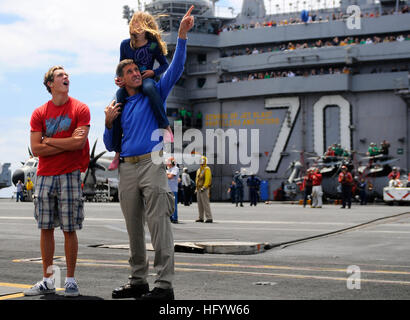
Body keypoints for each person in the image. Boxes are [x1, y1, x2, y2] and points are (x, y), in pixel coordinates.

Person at [104, 6, 194, 301]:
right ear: (121, 79)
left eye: (136, 70)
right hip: (126, 168)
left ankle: (164, 286)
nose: (136, 73)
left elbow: (176, 68)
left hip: (151, 163)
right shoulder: (119, 105)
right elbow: (108, 142)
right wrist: (107, 122)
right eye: (129, 71)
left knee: (158, 226)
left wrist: (181, 37)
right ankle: (138, 280)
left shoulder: (153, 91)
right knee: (132, 229)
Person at [24, 65, 90, 297]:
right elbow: (35, 148)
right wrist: (64, 142)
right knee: (45, 227)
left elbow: (78, 144)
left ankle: (70, 280)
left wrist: (50, 141)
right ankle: (48, 279)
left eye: (67, 75)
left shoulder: (80, 108)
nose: (66, 77)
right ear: (50, 84)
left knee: (69, 228)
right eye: (61, 75)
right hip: (44, 175)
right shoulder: (39, 113)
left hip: (71, 173)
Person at [108, 10, 172, 171]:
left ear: (147, 27)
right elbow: (121, 66)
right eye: (134, 23)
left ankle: (165, 126)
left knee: (150, 88)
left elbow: (164, 65)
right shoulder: (125, 44)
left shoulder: (152, 45)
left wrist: (153, 72)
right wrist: (119, 78)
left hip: (146, 78)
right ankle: (117, 153)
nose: (136, 26)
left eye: (140, 23)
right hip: (130, 81)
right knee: (118, 101)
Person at [195, 156, 213, 223]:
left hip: (204, 189)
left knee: (205, 204)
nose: (201, 161)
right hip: (199, 188)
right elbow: (197, 179)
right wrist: (196, 188)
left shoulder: (207, 169)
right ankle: (201, 217)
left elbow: (207, 179)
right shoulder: (199, 170)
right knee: (200, 204)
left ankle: (209, 217)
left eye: (202, 160)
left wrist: (204, 187)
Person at [166, 157, 179, 223]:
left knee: (173, 204)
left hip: (173, 189)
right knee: (168, 204)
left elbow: (170, 177)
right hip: (168, 189)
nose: (167, 163)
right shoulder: (168, 169)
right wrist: (167, 174)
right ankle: (170, 217)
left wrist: (165, 174)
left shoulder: (175, 168)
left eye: (168, 161)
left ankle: (175, 218)